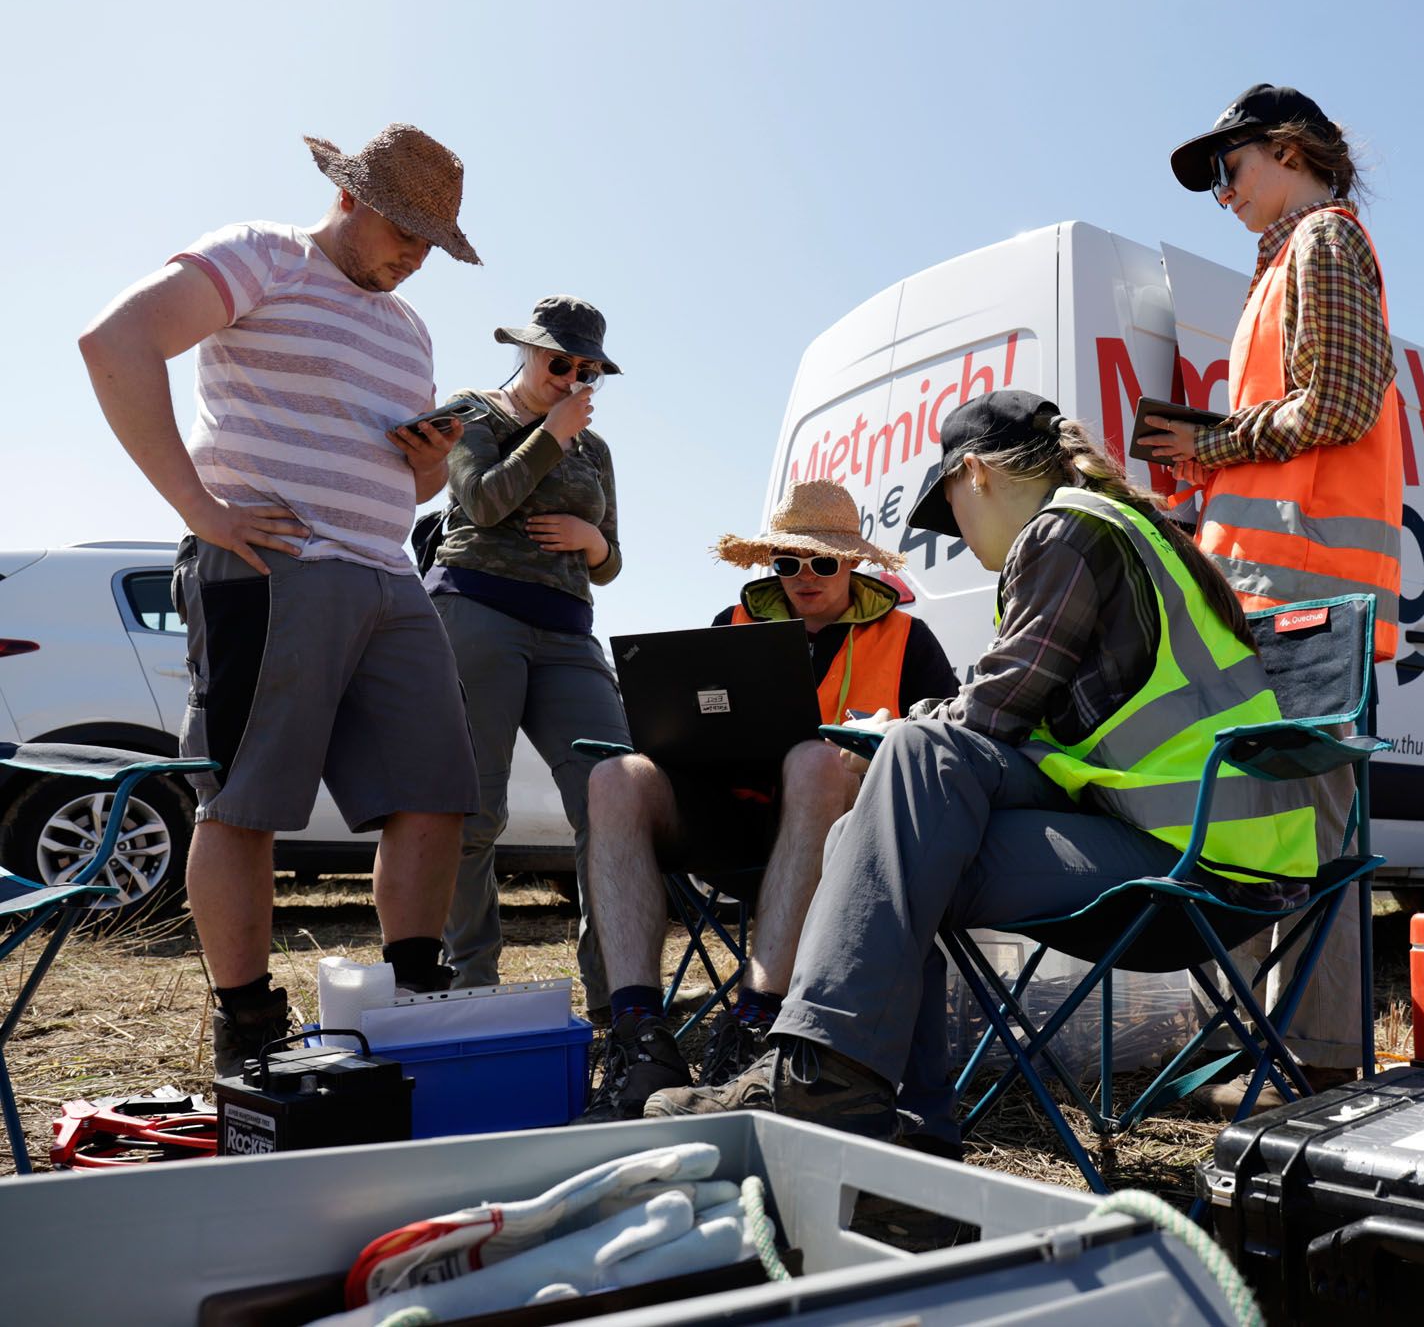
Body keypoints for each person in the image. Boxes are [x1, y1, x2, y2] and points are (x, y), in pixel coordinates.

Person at [671, 389, 1323, 1146]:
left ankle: (832, 1083)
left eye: (949, 509)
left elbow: (990, 712)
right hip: (1168, 832)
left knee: (904, 802)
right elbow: (1022, 729)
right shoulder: (1113, 526)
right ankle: (886, 1116)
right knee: (876, 827)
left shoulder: (1066, 534)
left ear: (973, 473)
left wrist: (902, 727)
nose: (959, 539)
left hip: (1201, 864)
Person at [76, 125, 484, 1076]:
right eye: (405, 230)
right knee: (244, 802)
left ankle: (412, 1005)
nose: (414, 257)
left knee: (434, 797)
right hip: (273, 568)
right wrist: (197, 506)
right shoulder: (263, 255)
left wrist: (428, 468)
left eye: (433, 244)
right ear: (349, 196)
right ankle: (248, 1021)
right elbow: (116, 340)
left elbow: (406, 486)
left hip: (391, 573)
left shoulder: (410, 327)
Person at [1143, 84, 1407, 1111]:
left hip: (1306, 586)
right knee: (1267, 817)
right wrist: (1203, 469)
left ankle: (1317, 1061)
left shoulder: (1325, 242)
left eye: (1226, 168)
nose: (1219, 195)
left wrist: (1209, 444)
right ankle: (1275, 1047)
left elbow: (1338, 402)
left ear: (1287, 149)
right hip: (1275, 584)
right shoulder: (1289, 260)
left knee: (1306, 823)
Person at [575, 480, 957, 1123]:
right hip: (731, 819)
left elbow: (943, 741)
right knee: (614, 776)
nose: (804, 577)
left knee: (814, 761)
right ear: (769, 564)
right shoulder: (733, 626)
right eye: (788, 562)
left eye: (823, 562)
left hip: (841, 844)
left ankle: (756, 1018)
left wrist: (873, 741)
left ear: (854, 562)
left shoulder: (906, 639)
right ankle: (640, 1037)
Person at [428, 297, 632, 1007]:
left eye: (587, 370)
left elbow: (609, 561)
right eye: (560, 362)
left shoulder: (594, 448)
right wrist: (548, 433)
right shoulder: (471, 413)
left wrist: (594, 540)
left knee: (614, 794)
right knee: (474, 810)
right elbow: (481, 502)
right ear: (528, 352)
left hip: (569, 629)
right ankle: (472, 984)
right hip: (478, 609)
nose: (573, 377)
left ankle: (618, 994)